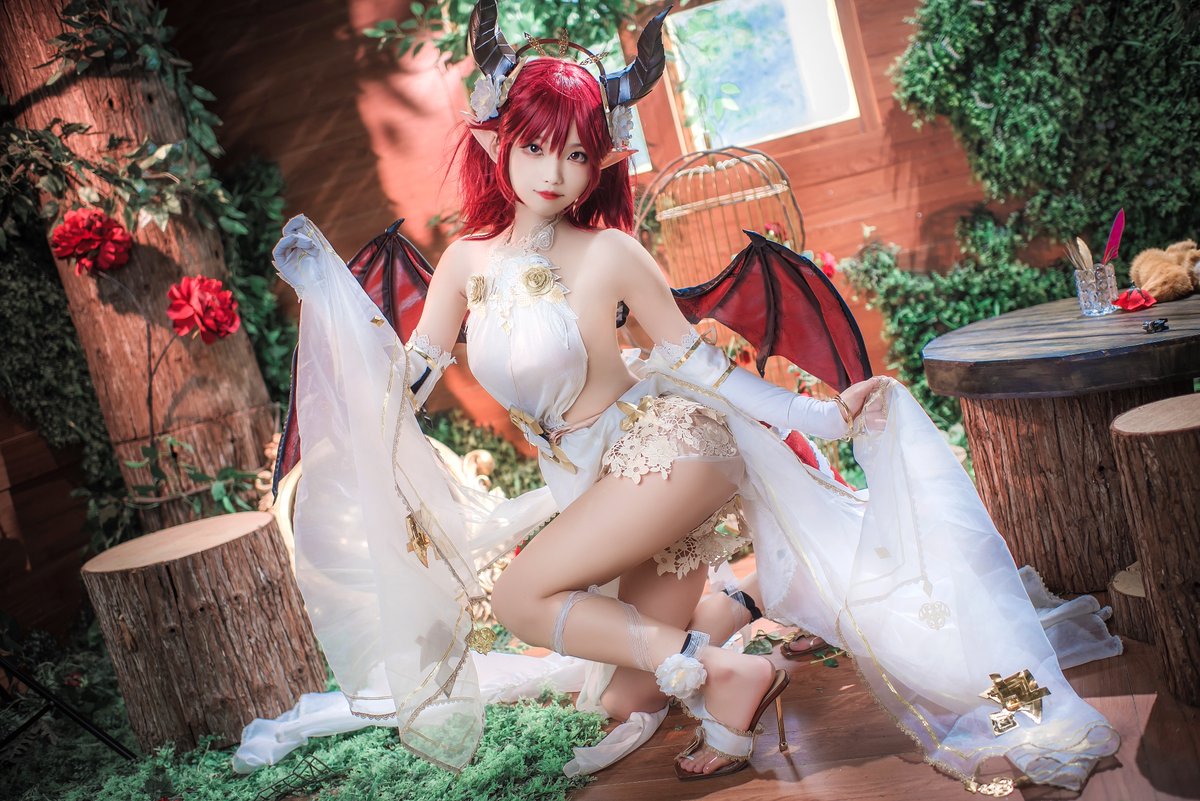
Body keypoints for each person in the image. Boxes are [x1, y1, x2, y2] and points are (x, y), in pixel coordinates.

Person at [268, 0, 1120, 790]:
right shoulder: (463, 261)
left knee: (519, 598)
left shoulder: (611, 253)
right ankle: (740, 622)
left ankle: (724, 670)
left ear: (600, 160)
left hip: (669, 454)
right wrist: (334, 319)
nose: (555, 172)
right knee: (622, 697)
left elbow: (701, 367)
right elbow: (411, 375)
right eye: (536, 146)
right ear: (501, 144)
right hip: (595, 482)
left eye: (576, 152)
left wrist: (822, 415)